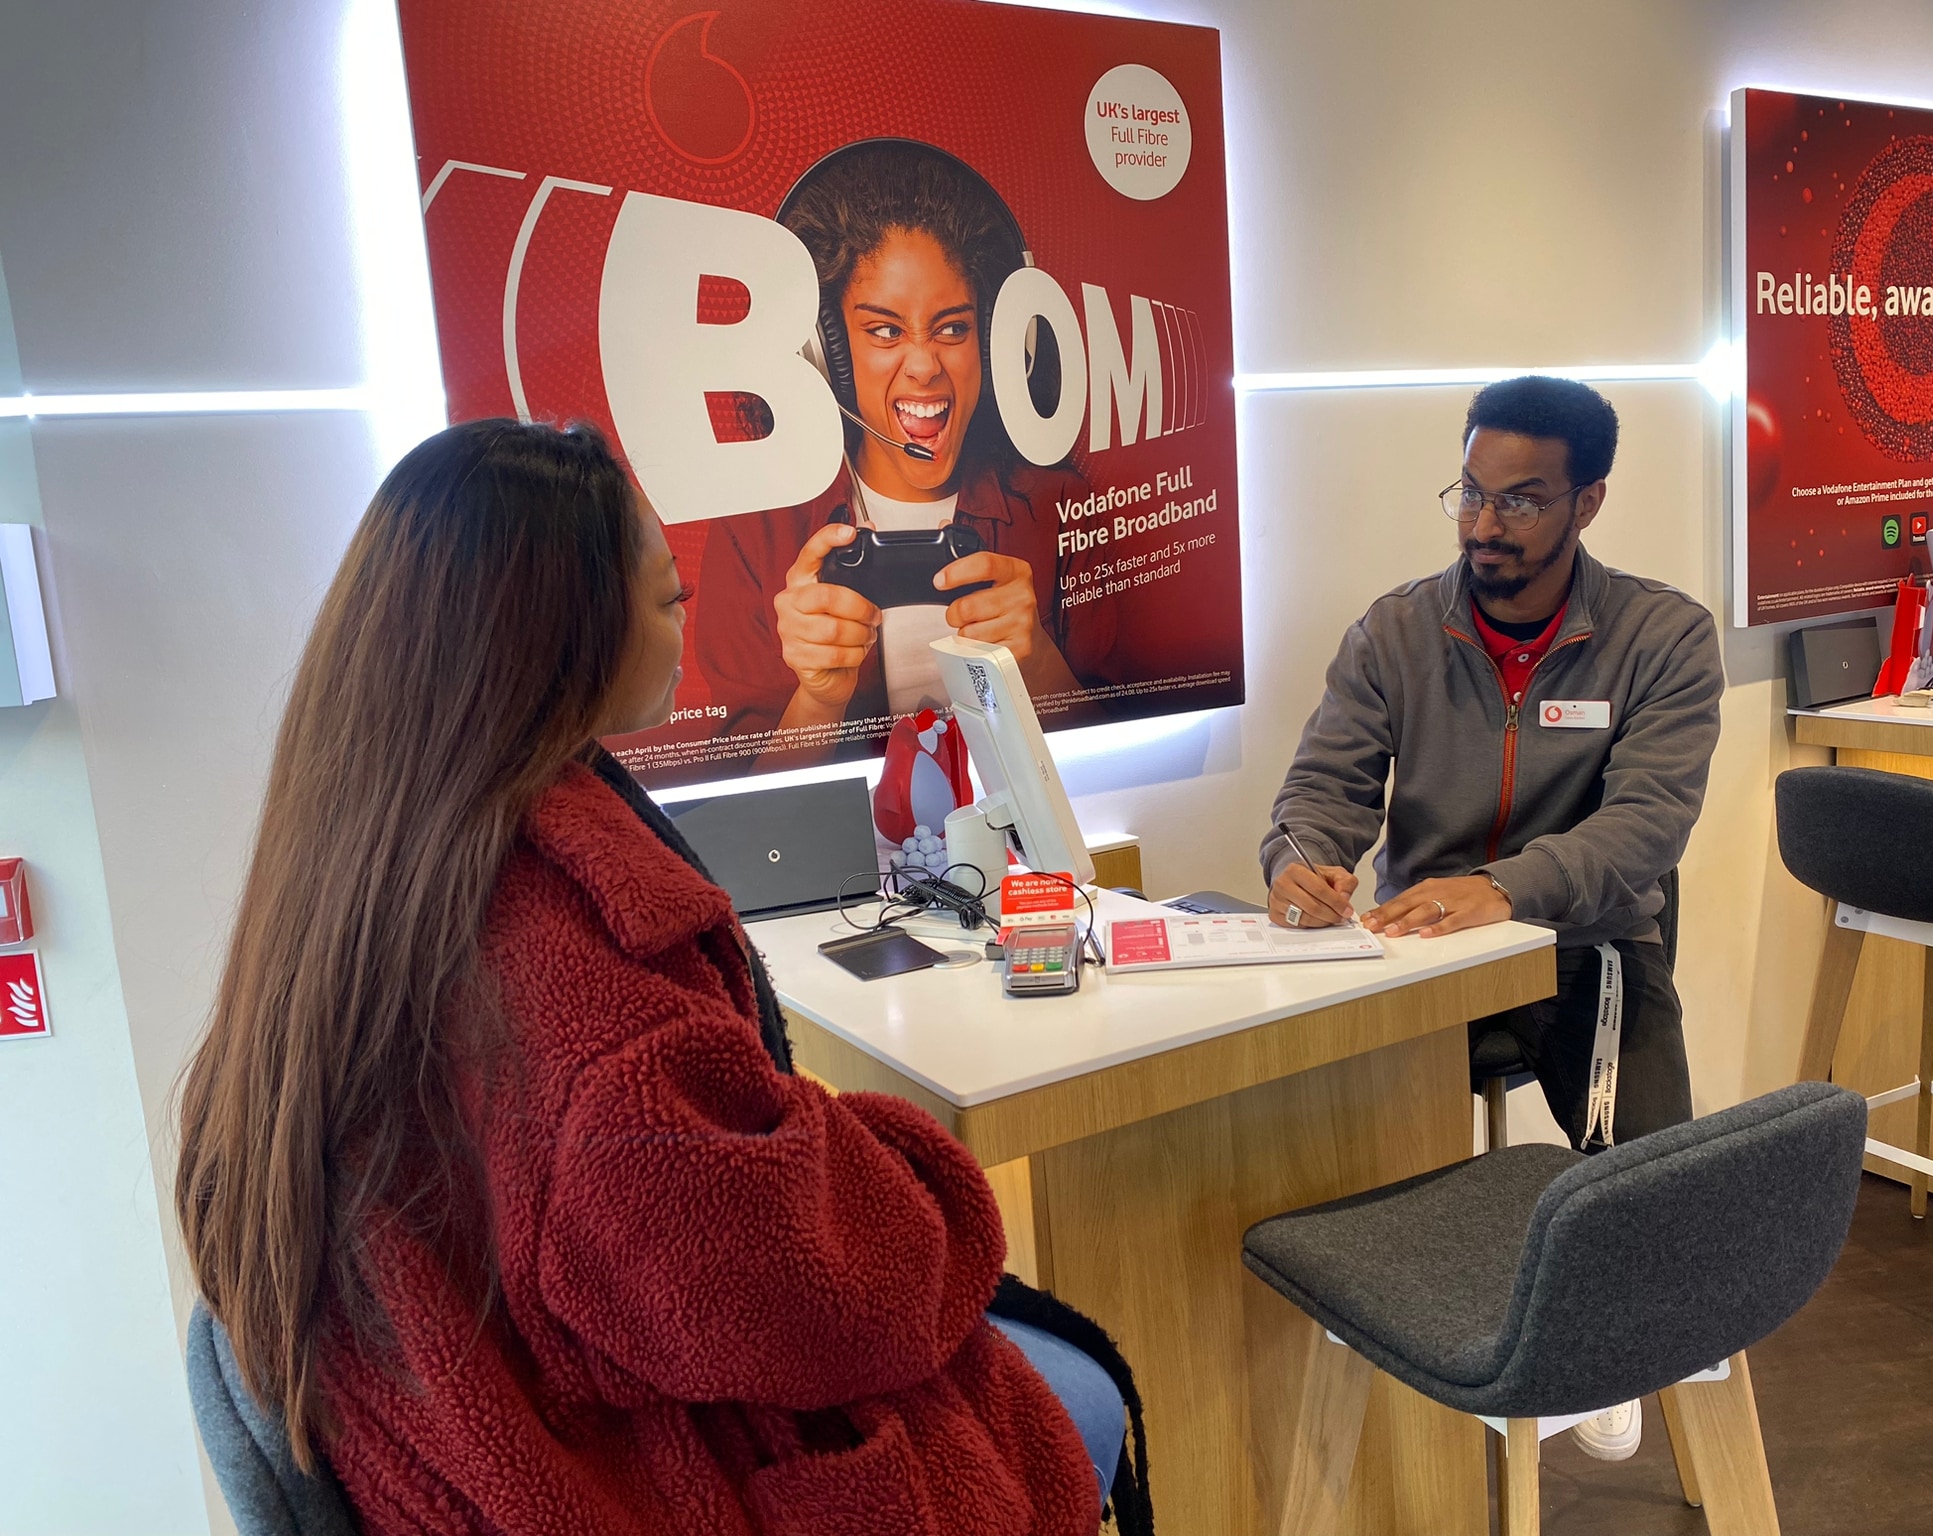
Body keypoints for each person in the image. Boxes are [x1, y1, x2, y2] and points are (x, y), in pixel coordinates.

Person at [175, 420, 1147, 1536]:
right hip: (608, 1468)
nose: (687, 617)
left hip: (463, 1420)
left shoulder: (364, 854)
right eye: (666, 599)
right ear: (561, 635)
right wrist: (913, 1176)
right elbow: (797, 1292)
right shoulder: (579, 997)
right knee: (1076, 1398)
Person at [1261, 376, 1722, 1462]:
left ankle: (1610, 1344)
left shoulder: (1661, 634)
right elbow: (1320, 790)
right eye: (1469, 492)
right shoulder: (1394, 631)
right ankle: (1403, 1347)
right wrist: (1300, 863)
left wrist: (1510, 888)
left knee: (1658, 1205)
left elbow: (1647, 826)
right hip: (1418, 951)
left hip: (1588, 945)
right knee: (1320, 1148)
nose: (1481, 524)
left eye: (1519, 501)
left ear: (1587, 501)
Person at [694, 140, 1112, 763]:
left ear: (997, 346)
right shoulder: (755, 529)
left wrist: (1040, 667)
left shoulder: (1061, 505)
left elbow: (1128, 764)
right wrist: (818, 700)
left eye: (953, 328)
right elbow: (750, 806)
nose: (923, 366)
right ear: (825, 352)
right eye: (885, 330)